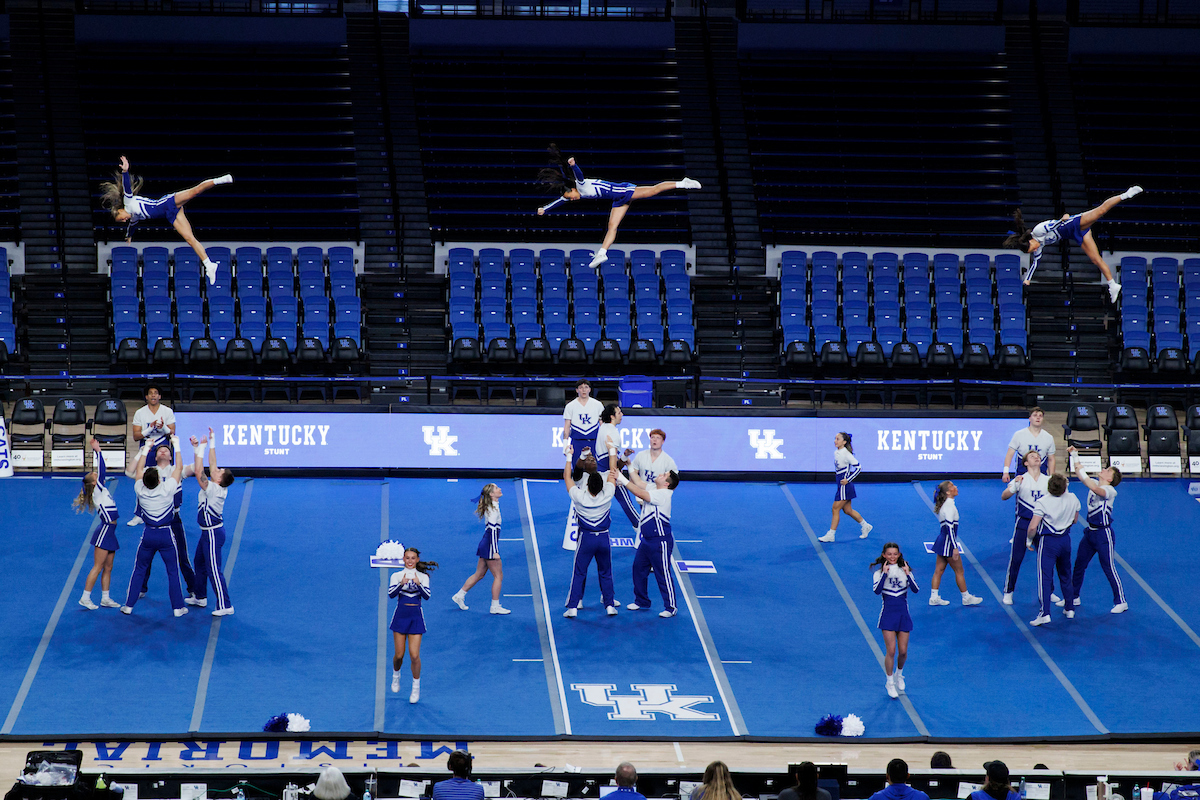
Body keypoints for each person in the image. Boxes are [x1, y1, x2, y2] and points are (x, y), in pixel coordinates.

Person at [537, 144, 702, 268]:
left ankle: (682, 183)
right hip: (618, 199)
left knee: (653, 190)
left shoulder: (580, 185)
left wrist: (573, 165)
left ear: (572, 189)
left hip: (622, 190)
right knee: (612, 227)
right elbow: (560, 201)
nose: (572, 199)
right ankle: (602, 254)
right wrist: (545, 208)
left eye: (570, 196)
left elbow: (578, 175)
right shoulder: (576, 194)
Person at [100, 156, 232, 285]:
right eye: (122, 221)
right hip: (170, 215)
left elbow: (127, 186)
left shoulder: (127, 202)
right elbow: (132, 227)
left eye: (121, 218)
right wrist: (129, 236)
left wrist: (125, 171)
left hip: (167, 203)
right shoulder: (134, 218)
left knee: (194, 191)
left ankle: (220, 180)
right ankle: (209, 265)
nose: (124, 220)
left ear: (121, 210)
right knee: (189, 238)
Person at [1004, 185, 1143, 303]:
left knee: (1100, 211)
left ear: (1030, 241)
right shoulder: (1038, 245)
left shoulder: (1038, 231)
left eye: (1032, 248)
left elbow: (1052, 225)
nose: (1035, 249)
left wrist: (1062, 220)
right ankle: (1112, 285)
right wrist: (1027, 280)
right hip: (1073, 234)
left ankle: (1126, 194)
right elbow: (1035, 263)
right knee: (1095, 259)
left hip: (1073, 223)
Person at [120, 436, 187, 617]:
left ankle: (129, 605)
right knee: (172, 571)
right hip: (166, 535)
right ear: (159, 480)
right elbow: (179, 468)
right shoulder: (167, 490)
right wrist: (177, 445)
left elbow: (139, 470)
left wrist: (146, 448)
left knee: (139, 569)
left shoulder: (139, 490)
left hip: (148, 535)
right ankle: (177, 607)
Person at [1067, 446, 1127, 614]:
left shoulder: (1110, 491)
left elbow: (1094, 488)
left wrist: (1085, 475)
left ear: (1111, 478)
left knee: (1108, 566)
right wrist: (1074, 454)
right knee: (1079, 564)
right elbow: (1080, 473)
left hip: (1103, 534)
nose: (1103, 469)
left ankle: (1121, 601)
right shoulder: (1095, 482)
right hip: (1090, 533)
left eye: (1107, 470)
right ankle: (1074, 596)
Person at [563, 444, 619, 618]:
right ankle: (610, 605)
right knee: (606, 572)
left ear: (587, 486)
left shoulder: (580, 497)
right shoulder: (608, 494)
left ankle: (573, 606)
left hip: (586, 539)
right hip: (603, 539)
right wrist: (612, 451)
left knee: (580, 571)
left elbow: (567, 477)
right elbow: (612, 470)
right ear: (602, 485)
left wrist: (568, 456)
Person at [138, 439, 198, 602]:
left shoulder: (176, 471)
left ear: (171, 457)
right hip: (153, 521)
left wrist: (197, 449)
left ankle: (194, 588)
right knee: (147, 556)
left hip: (173, 520)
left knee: (182, 556)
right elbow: (132, 472)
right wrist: (143, 451)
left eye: (166, 450)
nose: (163, 451)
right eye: (159, 451)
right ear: (155, 457)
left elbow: (197, 468)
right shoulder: (149, 472)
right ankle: (141, 587)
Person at [618, 467, 681, 617]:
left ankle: (671, 607)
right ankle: (642, 601)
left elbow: (639, 492)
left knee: (663, 574)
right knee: (638, 569)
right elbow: (639, 484)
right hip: (646, 540)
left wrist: (622, 478)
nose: (660, 474)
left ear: (666, 483)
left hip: (660, 541)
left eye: (664, 474)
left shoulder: (664, 494)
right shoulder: (656, 489)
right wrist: (628, 464)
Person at [188, 428, 235, 616]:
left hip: (213, 534)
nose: (217, 468)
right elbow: (212, 462)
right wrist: (213, 441)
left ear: (219, 479)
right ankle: (200, 596)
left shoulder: (213, 489)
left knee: (213, 569)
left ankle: (225, 605)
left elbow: (199, 470)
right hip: (206, 533)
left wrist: (200, 448)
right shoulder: (217, 484)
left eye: (220, 471)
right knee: (199, 561)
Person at [1026, 473, 1081, 627]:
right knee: (1065, 574)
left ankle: (1045, 613)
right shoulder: (1073, 498)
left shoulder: (1042, 502)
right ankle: (1069, 608)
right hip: (1065, 540)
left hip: (1048, 542)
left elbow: (1032, 527)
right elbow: (1075, 520)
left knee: (1045, 577)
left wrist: (1029, 540)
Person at [75, 439, 122, 610]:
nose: (97, 474)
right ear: (94, 483)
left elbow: (101, 473)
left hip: (111, 531)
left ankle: (105, 598)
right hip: (105, 531)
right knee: (98, 566)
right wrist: (98, 451)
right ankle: (85, 597)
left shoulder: (101, 490)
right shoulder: (98, 490)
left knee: (108, 567)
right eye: (94, 476)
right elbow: (103, 470)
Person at [1000, 450, 1051, 605]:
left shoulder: (1048, 480)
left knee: (1046, 561)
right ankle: (1009, 591)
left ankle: (1050, 591)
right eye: (1032, 456)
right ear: (1026, 463)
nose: (1036, 457)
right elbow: (1004, 496)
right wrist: (1014, 486)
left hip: (1043, 524)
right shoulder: (1021, 479)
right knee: (1016, 559)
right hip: (1024, 523)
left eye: (1038, 456)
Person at [451, 483, 511, 616]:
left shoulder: (493, 506)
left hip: (485, 543)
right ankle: (495, 606)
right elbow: (492, 531)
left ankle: (459, 595)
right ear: (491, 494)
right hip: (490, 545)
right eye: (497, 488)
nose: (500, 489)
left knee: (479, 574)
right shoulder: (493, 510)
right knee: (498, 576)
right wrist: (495, 551)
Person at [389, 547, 437, 703]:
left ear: (417, 560)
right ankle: (396, 675)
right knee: (399, 655)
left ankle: (416, 688)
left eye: (413, 558)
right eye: (407, 558)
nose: (410, 561)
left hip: (415, 617)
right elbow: (391, 594)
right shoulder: (396, 576)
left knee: (414, 655)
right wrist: (401, 584)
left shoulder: (423, 577)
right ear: (403, 559)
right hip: (400, 617)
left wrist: (418, 584)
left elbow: (427, 596)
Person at [872, 542, 919, 699]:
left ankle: (900, 674)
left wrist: (907, 574)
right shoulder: (878, 573)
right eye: (889, 554)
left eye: (895, 554)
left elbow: (915, 590)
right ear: (884, 555)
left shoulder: (905, 571)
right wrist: (885, 573)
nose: (892, 557)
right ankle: (889, 682)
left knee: (903, 651)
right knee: (891, 650)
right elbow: (877, 591)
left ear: (899, 555)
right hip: (888, 615)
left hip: (903, 614)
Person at [126, 384, 176, 526]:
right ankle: (139, 514)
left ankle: (167, 510)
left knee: (166, 480)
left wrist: (163, 427)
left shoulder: (167, 411)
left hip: (162, 448)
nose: (153, 395)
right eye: (150, 393)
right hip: (147, 449)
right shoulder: (140, 413)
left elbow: (172, 432)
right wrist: (149, 429)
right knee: (142, 480)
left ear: (160, 396)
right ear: (146, 397)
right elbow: (136, 436)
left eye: (156, 393)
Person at [928, 481, 983, 607]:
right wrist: (955, 547)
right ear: (948, 492)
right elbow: (949, 529)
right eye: (952, 486)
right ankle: (966, 597)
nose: (956, 487)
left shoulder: (948, 505)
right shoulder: (949, 507)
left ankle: (934, 597)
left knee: (939, 570)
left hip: (942, 541)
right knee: (959, 571)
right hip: (948, 543)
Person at [819, 432, 872, 543]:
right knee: (847, 510)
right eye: (835, 438)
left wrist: (848, 479)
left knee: (835, 508)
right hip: (841, 484)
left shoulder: (846, 454)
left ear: (844, 442)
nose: (835, 441)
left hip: (845, 486)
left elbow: (858, 467)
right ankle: (865, 525)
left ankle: (831, 534)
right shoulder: (837, 452)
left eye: (838, 439)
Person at [1002, 407, 1056, 481]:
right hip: (1022, 475)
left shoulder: (1048, 437)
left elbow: (1051, 459)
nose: (1038, 418)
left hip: (1042, 476)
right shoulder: (1019, 435)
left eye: (1040, 416)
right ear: (1030, 418)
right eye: (1035, 415)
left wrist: (1052, 477)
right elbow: (1009, 454)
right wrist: (1005, 472)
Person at [562, 379, 605, 457]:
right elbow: (567, 426)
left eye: (586, 387)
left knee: (594, 467)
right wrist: (565, 445)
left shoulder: (598, 405)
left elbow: (603, 425)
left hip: (593, 440)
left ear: (590, 389)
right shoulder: (570, 406)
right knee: (577, 467)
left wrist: (605, 441)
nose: (584, 390)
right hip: (577, 441)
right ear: (577, 390)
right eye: (581, 387)